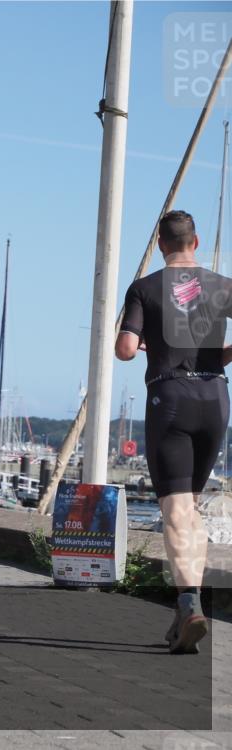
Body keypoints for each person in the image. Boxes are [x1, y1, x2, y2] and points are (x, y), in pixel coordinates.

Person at [115, 209, 232, 655]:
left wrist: (142, 342)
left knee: (178, 511)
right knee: (192, 509)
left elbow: (126, 349)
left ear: (162, 244)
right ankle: (186, 610)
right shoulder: (221, 286)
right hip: (215, 400)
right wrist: (219, 357)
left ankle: (189, 603)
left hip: (171, 398)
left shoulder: (145, 287)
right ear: (195, 243)